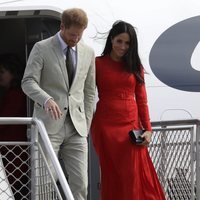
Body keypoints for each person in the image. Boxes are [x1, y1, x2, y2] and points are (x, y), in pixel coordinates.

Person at [21, 8, 96, 200]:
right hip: (48, 126)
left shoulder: (88, 52)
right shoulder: (41, 48)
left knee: (81, 183)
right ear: (62, 27)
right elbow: (28, 82)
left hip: (77, 128)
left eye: (80, 35)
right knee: (45, 183)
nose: (76, 39)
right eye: (72, 35)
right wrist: (46, 99)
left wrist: (86, 123)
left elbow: (89, 91)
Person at [91, 20, 166, 200]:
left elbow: (142, 100)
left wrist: (148, 129)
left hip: (130, 129)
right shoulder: (97, 64)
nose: (123, 46)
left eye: (127, 43)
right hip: (105, 128)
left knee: (132, 175)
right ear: (111, 39)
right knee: (111, 175)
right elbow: (84, 94)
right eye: (119, 41)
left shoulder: (134, 66)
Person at [0, 53, 28, 199]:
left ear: (13, 71)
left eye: (2, 72)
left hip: (13, 154)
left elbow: (4, 120)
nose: (0, 76)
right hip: (12, 153)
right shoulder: (14, 93)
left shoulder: (16, 95)